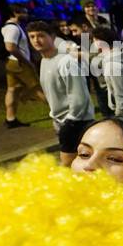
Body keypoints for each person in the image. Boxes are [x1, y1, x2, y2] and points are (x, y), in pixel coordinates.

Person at [26, 19, 94, 165]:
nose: (36, 40)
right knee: (79, 166)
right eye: (32, 37)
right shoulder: (44, 62)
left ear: (52, 37)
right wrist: (55, 118)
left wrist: (70, 121)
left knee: (69, 165)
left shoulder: (66, 62)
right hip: (61, 121)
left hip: (77, 121)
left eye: (41, 35)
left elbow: (79, 96)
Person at [0, 4, 44, 128]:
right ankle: (58, 112)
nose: (27, 14)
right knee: (37, 87)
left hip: (12, 62)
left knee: (13, 89)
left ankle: (10, 118)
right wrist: (26, 61)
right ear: (15, 12)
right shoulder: (12, 28)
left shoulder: (11, 27)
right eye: (24, 12)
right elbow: (10, 47)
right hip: (18, 63)